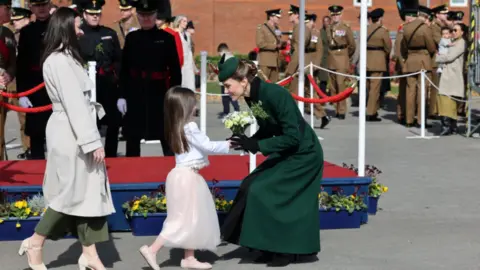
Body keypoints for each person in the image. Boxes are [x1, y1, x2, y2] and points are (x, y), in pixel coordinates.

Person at [18, 7, 114, 270]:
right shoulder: (60, 60)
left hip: (74, 129)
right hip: (71, 131)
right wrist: (92, 141)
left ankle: (90, 254)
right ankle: (35, 242)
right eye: (77, 26)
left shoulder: (67, 57)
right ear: (65, 27)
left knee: (87, 192)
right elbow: (74, 104)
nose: (81, 30)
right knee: (70, 193)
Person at [219, 57, 323, 266]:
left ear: (243, 80)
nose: (226, 91)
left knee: (263, 190)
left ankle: (284, 250)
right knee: (250, 184)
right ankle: (263, 245)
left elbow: (293, 136)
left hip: (304, 154)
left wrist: (258, 146)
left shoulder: (275, 94)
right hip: (288, 150)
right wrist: (250, 140)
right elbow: (268, 127)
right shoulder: (253, 97)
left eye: (228, 85)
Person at [139, 86, 231, 270]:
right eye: (193, 103)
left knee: (191, 217)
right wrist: (231, 143)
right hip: (187, 177)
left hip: (182, 175)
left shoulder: (176, 126)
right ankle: (152, 249)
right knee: (182, 219)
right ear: (186, 107)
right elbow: (208, 147)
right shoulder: (190, 127)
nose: (196, 106)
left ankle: (189, 257)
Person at [117, 0, 181, 157]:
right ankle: (131, 174)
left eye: (149, 15)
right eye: (142, 15)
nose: (146, 18)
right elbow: (124, 70)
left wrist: (173, 96)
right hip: (135, 93)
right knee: (133, 137)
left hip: (160, 93)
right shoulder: (132, 38)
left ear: (155, 15)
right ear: (137, 16)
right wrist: (122, 95)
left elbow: (175, 71)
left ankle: (173, 172)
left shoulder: (166, 39)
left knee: (166, 136)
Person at [78, 0, 122, 157]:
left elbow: (118, 59)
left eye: (97, 14)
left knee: (114, 122)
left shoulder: (109, 33)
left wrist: (116, 76)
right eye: (91, 14)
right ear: (84, 14)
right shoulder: (78, 34)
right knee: (91, 123)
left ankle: (111, 154)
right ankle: (91, 155)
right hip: (87, 86)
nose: (95, 17)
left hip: (108, 84)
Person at [16, 0, 53, 160]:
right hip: (35, 89)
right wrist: (22, 93)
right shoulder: (27, 32)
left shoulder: (59, 28)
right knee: (36, 135)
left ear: (50, 5)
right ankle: (38, 173)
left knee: (58, 135)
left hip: (56, 87)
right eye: (38, 5)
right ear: (32, 8)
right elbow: (21, 65)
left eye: (44, 4)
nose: (42, 8)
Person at [400, 3, 436, 128]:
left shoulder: (406, 28)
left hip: (410, 60)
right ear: (424, 16)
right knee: (422, 92)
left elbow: (403, 47)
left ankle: (409, 120)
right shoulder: (425, 28)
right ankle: (421, 120)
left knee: (410, 91)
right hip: (423, 60)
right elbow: (431, 46)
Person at [6, 7, 31, 159]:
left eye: (18, 20)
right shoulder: (11, 35)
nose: (14, 22)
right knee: (15, 118)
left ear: (27, 19)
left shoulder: (29, 35)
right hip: (11, 83)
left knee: (25, 118)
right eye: (13, 20)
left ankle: (29, 147)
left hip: (26, 83)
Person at [436, 23, 467, 135]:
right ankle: (451, 126)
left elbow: (449, 57)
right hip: (448, 75)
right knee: (447, 100)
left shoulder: (461, 43)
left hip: (453, 76)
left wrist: (437, 57)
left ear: (462, 32)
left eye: (456, 30)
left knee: (447, 100)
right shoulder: (453, 42)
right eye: (452, 30)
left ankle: (447, 127)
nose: (453, 32)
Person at [326, 5, 355, 120]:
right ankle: (336, 108)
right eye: (333, 15)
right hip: (331, 57)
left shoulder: (346, 27)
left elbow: (352, 44)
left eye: (337, 14)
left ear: (341, 15)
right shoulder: (328, 28)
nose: (335, 17)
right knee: (333, 86)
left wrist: (347, 57)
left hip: (342, 56)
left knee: (340, 84)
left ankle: (342, 110)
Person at [366, 8, 391, 122]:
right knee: (375, 89)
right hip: (378, 61)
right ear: (380, 18)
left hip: (366, 60)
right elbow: (388, 47)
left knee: (369, 88)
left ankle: (371, 110)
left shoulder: (366, 29)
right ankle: (370, 113)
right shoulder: (383, 31)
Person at [0, 0, 17, 161]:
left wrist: (9, 75)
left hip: (1, 87)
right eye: (7, 8)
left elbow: (13, 61)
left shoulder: (7, 33)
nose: (10, 12)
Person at [256, 8, 281, 82]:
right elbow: (260, 44)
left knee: (274, 84)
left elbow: (278, 41)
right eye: (277, 17)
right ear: (271, 17)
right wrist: (275, 46)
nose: (279, 19)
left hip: (275, 61)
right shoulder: (262, 28)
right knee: (263, 84)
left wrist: (281, 44)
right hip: (265, 61)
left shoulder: (277, 28)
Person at [217, 42, 239, 119]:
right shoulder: (232, 57)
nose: (219, 55)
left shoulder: (224, 58)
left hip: (226, 81)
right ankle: (231, 111)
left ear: (221, 51)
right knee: (228, 97)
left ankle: (232, 111)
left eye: (219, 53)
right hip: (230, 81)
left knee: (228, 97)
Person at [173, 15, 195, 91]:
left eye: (186, 21)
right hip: (180, 62)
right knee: (181, 84)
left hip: (188, 63)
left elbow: (190, 50)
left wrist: (194, 66)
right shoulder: (174, 33)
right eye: (184, 21)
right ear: (179, 22)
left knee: (189, 85)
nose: (186, 23)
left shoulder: (187, 34)